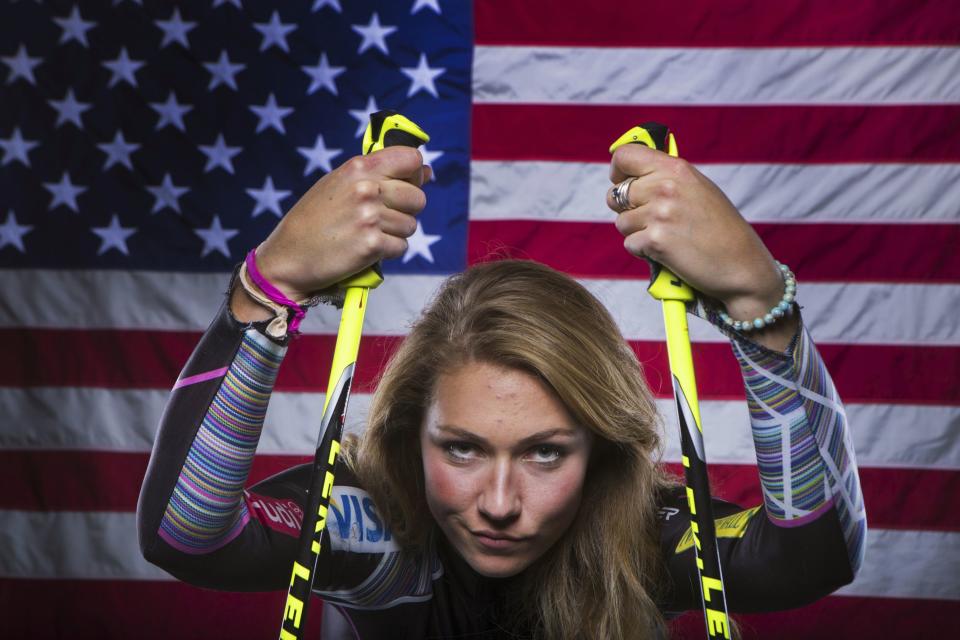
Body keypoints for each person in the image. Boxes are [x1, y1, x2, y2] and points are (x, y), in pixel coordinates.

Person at [137, 143, 867, 639]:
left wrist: (759, 308)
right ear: (407, 434)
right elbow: (186, 534)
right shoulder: (379, 525)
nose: (497, 503)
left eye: (546, 454)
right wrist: (269, 291)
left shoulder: (640, 531)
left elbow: (813, 556)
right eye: (461, 448)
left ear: (604, 452)